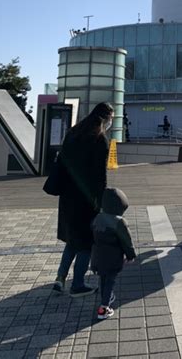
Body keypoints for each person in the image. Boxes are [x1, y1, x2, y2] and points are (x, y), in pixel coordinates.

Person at [53, 102, 114, 297]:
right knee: (86, 243)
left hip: (67, 195)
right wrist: (101, 200)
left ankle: (60, 278)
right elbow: (99, 175)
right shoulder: (99, 139)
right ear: (106, 118)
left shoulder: (74, 133)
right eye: (111, 118)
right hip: (87, 198)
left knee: (72, 239)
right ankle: (77, 284)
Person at [91, 188, 136, 320]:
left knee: (103, 279)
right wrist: (131, 255)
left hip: (98, 256)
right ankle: (104, 308)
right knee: (110, 280)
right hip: (112, 258)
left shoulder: (98, 218)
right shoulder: (119, 222)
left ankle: (105, 298)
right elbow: (126, 241)